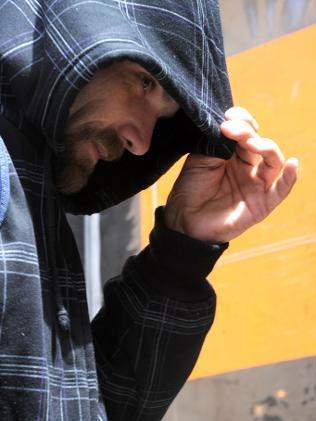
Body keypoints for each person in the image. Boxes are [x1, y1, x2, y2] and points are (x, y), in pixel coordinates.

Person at [0, 1, 298, 420]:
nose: (141, 142)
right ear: (78, 27)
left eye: (164, 118)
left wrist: (182, 249)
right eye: (143, 81)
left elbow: (76, 409)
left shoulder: (30, 188)